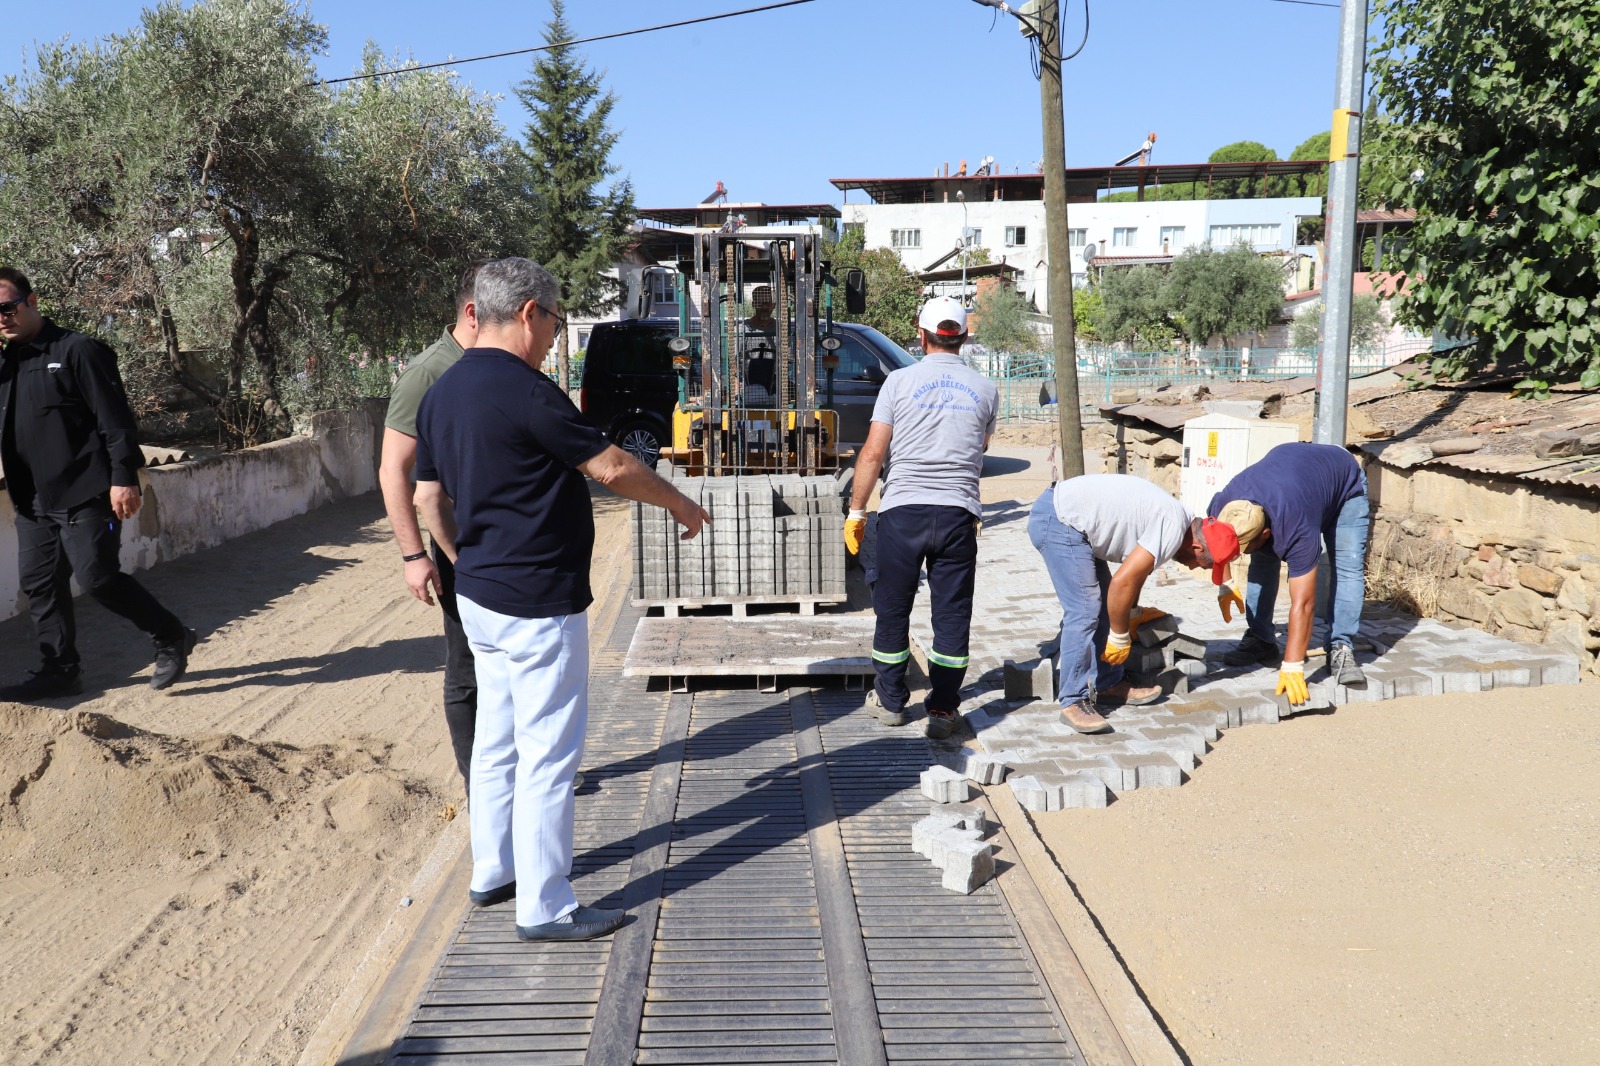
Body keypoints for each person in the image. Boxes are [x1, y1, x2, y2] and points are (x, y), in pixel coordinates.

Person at [414, 257, 710, 942]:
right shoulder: (526, 390)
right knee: (548, 752)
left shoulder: (441, 391)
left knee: (495, 741)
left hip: (482, 599)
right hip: (536, 601)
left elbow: (430, 496)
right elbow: (610, 465)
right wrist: (680, 505)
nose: (552, 336)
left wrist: (465, 560)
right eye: (552, 321)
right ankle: (544, 905)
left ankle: (492, 871)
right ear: (526, 313)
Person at [0, 267, 195, 700]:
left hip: (86, 491)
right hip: (32, 500)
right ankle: (61, 670)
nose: (2, 318)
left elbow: (116, 420)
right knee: (40, 585)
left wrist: (124, 477)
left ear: (31, 302)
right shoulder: (6, 365)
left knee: (98, 577)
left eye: (7, 307)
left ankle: (171, 635)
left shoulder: (78, 350)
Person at [845, 295, 998, 739]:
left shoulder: (897, 382)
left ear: (921, 333)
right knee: (951, 614)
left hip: (902, 513)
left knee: (892, 609)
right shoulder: (986, 389)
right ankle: (945, 710)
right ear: (964, 337)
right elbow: (980, 448)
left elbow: (874, 453)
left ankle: (892, 702)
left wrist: (857, 511)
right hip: (957, 515)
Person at [1028, 474, 1239, 733]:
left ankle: (1107, 684)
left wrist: (1132, 612)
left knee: (1106, 606)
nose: (1197, 567)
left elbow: (1135, 576)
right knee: (1085, 609)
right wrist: (1119, 634)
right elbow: (1122, 583)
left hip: (1074, 521)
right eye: (1204, 564)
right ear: (1196, 546)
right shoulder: (1172, 527)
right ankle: (1072, 700)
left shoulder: (1182, 523)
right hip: (1060, 520)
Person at [379, 263, 481, 795]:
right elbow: (394, 469)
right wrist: (413, 555)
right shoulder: (428, 372)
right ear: (472, 312)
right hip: (453, 546)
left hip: (494, 542)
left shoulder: (489, 363)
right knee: (466, 664)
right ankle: (476, 787)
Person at [1207, 442, 1371, 707]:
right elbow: (1217, 546)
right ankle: (1261, 639)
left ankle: (1341, 646)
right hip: (1294, 479)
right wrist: (1224, 583)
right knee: (1262, 560)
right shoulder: (1225, 507)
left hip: (1343, 482)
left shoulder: (1297, 529)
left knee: (1347, 565)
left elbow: (1303, 602)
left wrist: (1293, 664)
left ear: (1265, 533)